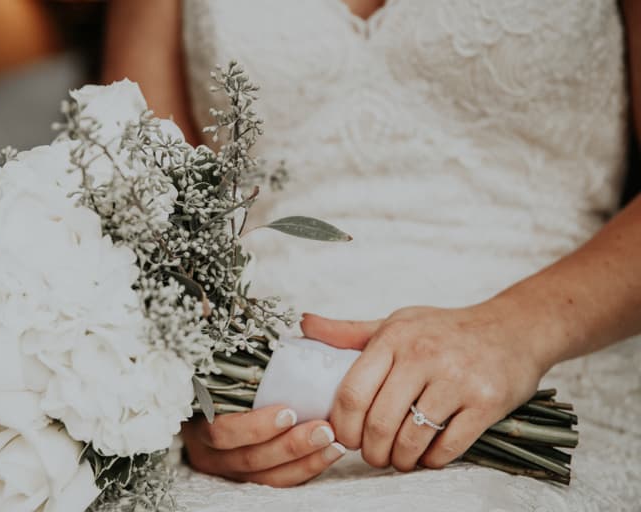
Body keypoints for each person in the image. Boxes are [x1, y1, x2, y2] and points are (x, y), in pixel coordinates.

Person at [103, 1, 641, 509]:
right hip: (264, 400)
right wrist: (194, 398)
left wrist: (515, 334)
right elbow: (143, 211)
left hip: (552, 361)